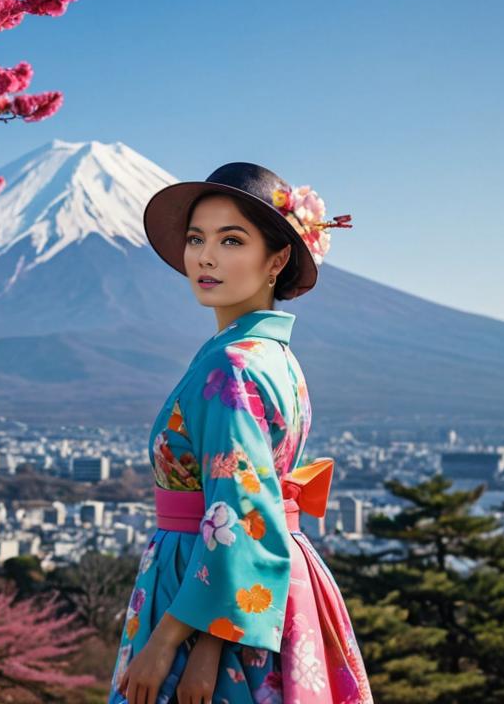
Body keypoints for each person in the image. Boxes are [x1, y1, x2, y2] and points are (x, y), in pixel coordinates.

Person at [107, 162, 373, 704]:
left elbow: (239, 513)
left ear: (276, 259)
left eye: (231, 240)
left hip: (202, 593)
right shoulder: (276, 358)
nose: (205, 256)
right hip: (259, 591)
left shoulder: (233, 365)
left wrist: (174, 642)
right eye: (196, 238)